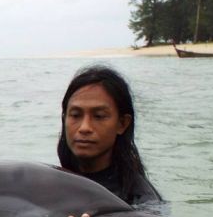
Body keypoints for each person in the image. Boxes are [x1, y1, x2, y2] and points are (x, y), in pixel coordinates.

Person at [57, 66, 161, 205]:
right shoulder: (50, 182)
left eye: (99, 116)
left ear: (122, 124)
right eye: (75, 115)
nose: (84, 127)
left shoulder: (142, 200)